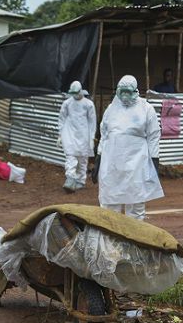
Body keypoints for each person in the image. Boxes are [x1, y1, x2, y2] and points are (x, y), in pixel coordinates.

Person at [97, 75, 163, 220]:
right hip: (112, 164)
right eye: (122, 92)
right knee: (109, 206)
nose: (125, 95)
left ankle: (134, 240)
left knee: (135, 205)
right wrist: (99, 158)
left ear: (135, 91)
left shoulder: (146, 108)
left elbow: (153, 136)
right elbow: (104, 134)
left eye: (128, 91)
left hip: (136, 164)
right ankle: (111, 240)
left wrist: (154, 162)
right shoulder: (111, 109)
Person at [57, 81, 96, 192]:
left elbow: (92, 121)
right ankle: (70, 179)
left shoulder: (88, 104)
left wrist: (92, 137)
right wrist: (60, 134)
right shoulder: (67, 103)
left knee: (82, 160)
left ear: (80, 91)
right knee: (70, 157)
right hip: (69, 134)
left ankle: (80, 181)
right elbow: (62, 118)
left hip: (84, 135)